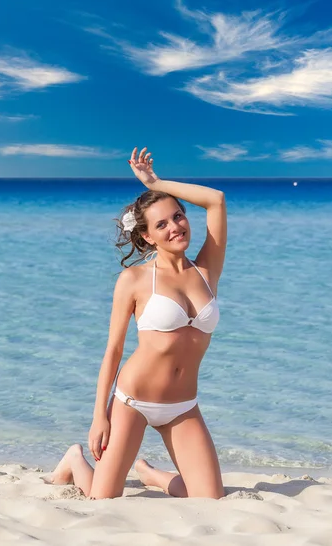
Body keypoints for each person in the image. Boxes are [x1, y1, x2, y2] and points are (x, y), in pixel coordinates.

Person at [45, 147, 227, 499]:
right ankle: (74, 460)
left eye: (178, 216)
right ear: (147, 236)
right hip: (133, 402)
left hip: (183, 406)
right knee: (101, 499)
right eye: (162, 224)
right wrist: (100, 416)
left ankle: (151, 474)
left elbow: (216, 200)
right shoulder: (134, 280)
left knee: (212, 500)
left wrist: (156, 182)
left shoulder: (207, 271)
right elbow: (113, 351)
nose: (175, 227)